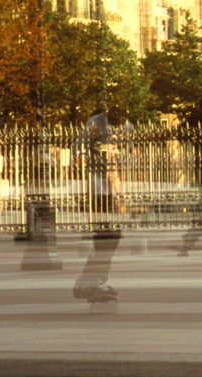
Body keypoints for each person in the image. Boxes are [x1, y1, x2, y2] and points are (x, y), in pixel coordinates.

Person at [71, 104, 125, 302]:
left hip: (112, 187)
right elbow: (79, 151)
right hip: (98, 187)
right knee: (105, 237)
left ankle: (89, 281)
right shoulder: (96, 123)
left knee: (111, 237)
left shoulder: (124, 125)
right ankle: (93, 280)